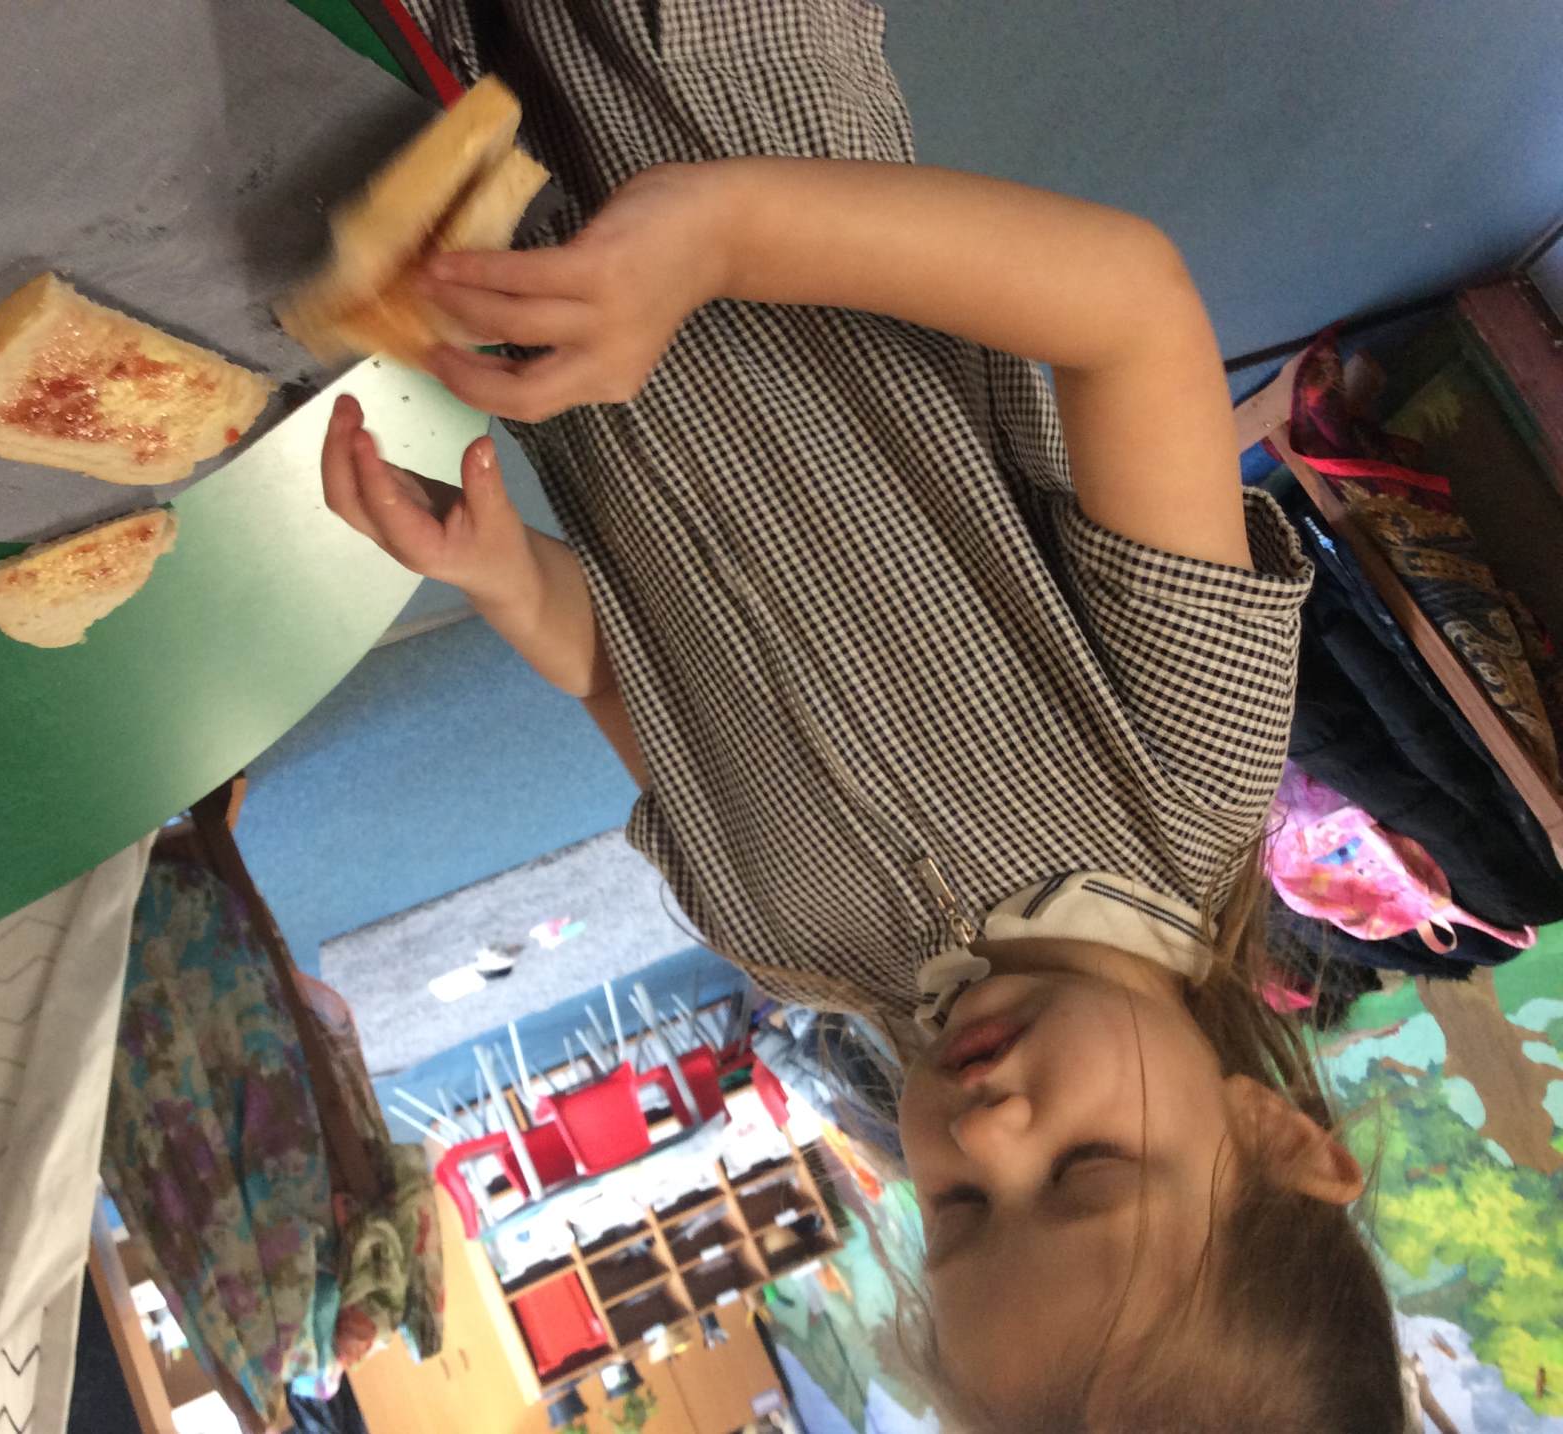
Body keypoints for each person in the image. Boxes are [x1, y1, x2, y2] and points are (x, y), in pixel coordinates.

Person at [317, 1, 1404, 1427]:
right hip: (713, 70)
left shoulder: (797, 938)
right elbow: (1128, 309)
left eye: (959, 1209)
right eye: (1085, 1172)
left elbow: (627, 677)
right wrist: (720, 241)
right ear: (1274, 1135)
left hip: (491, 181)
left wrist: (509, 578)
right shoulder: (1191, 769)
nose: (988, 1131)